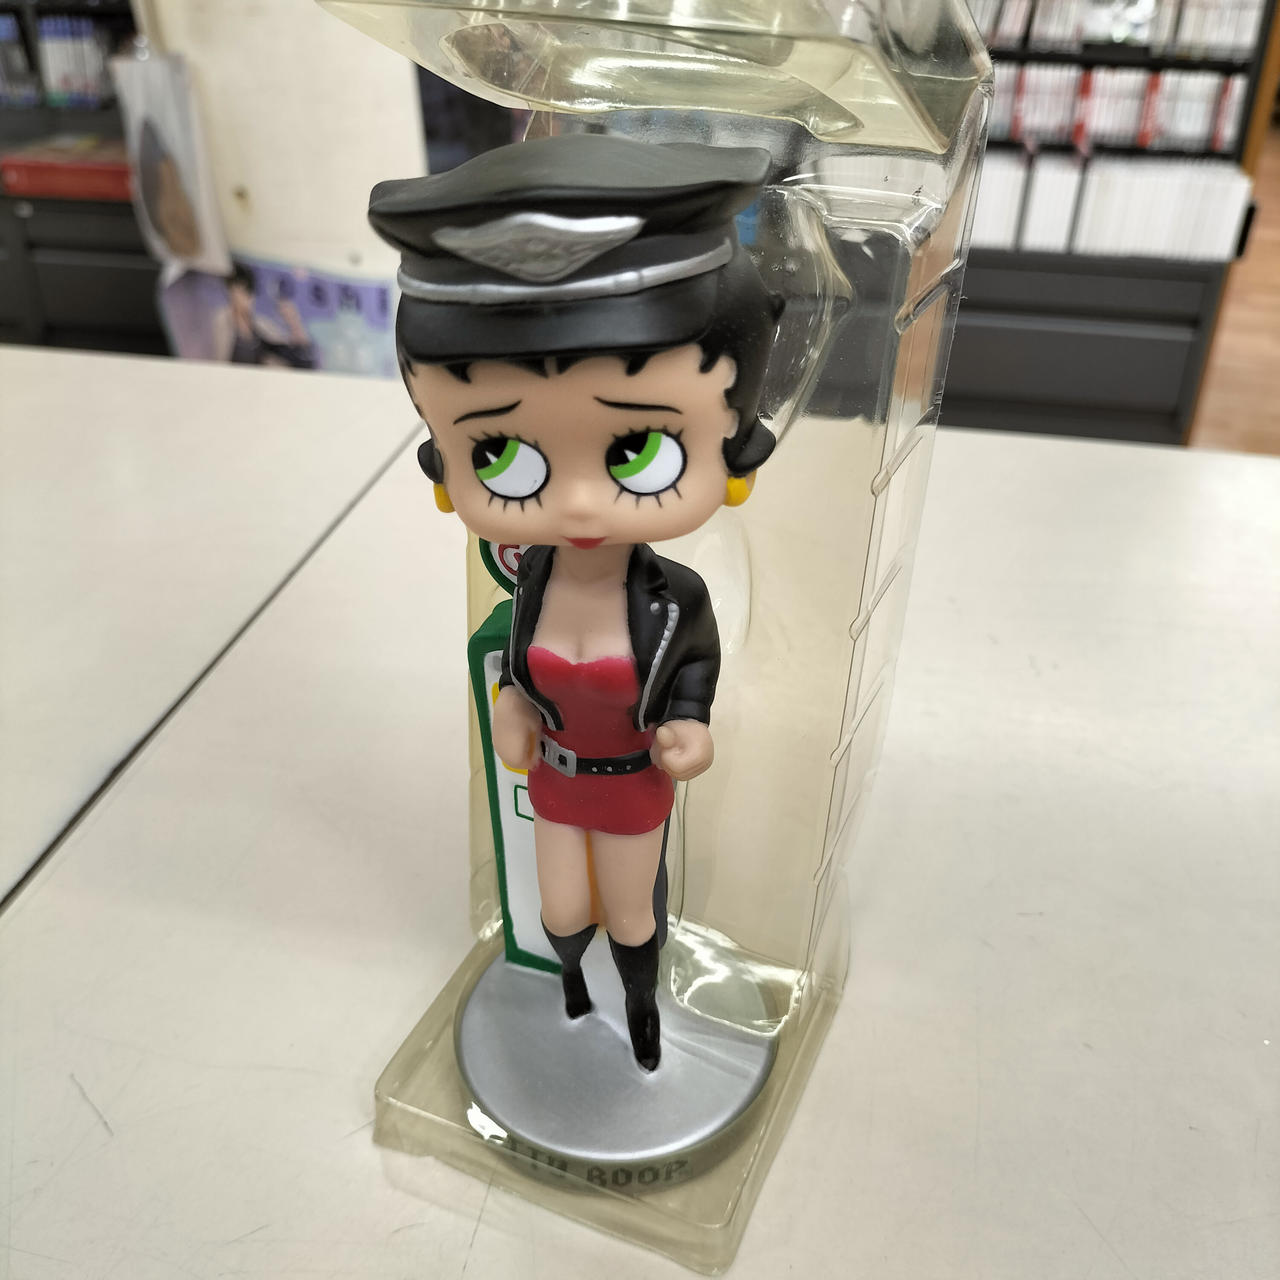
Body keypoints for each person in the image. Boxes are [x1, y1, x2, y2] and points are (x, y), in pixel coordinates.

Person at [368, 133, 780, 1071]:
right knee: (561, 906)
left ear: (733, 438)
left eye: (640, 451)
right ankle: (567, 987)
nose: (582, 503)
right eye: (503, 456)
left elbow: (695, 668)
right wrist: (513, 705)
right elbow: (520, 669)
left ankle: (639, 1008)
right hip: (554, 778)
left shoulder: (677, 598)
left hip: (632, 779)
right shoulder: (531, 582)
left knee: (630, 909)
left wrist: (690, 725)